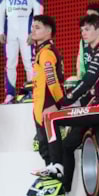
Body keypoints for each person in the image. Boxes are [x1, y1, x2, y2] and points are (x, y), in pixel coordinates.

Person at [36, 14, 99, 191]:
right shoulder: (97, 53)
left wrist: (62, 102)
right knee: (67, 145)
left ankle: (56, 166)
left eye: (87, 29)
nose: (83, 33)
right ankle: (64, 193)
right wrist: (68, 103)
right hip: (97, 106)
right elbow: (88, 88)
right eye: (82, 30)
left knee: (51, 117)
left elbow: (86, 83)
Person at [0, 0, 44, 104]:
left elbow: (38, 9)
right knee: (10, 62)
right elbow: (0, 10)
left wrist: (34, 32)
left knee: (29, 61)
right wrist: (0, 31)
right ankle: (9, 95)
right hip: (10, 28)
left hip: (26, 27)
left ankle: (33, 92)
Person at [30, 15, 66, 165]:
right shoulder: (43, 51)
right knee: (46, 150)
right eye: (33, 27)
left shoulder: (46, 52)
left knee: (50, 152)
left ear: (48, 31)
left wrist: (58, 103)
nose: (33, 30)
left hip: (47, 107)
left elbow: (52, 80)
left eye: (37, 27)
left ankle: (56, 177)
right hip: (41, 107)